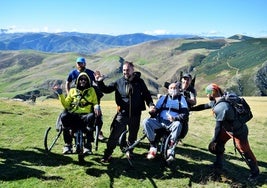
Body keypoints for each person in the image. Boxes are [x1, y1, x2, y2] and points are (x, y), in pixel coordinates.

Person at [190, 83, 260, 181]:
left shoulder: (221, 107)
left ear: (212, 93)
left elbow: (218, 127)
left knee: (245, 152)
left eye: (207, 93)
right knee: (219, 143)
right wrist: (190, 109)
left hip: (238, 132)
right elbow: (205, 106)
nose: (206, 95)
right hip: (228, 129)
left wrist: (213, 140)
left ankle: (255, 172)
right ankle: (219, 164)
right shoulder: (219, 101)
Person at [95, 61, 155, 162]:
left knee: (132, 136)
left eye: (127, 70)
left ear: (133, 70)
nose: (125, 72)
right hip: (122, 113)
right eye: (123, 70)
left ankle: (130, 152)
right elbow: (106, 89)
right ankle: (108, 154)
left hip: (136, 114)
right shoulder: (119, 82)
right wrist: (100, 82)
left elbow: (146, 95)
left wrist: (151, 105)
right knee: (114, 135)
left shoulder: (140, 82)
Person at [53, 72, 101, 154]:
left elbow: (95, 102)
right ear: (78, 81)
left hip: (86, 115)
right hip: (74, 115)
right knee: (64, 116)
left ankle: (87, 146)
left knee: (92, 116)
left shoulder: (92, 90)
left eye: (85, 79)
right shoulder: (72, 91)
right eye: (81, 79)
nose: (83, 81)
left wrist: (97, 106)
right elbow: (66, 104)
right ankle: (68, 145)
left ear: (88, 81)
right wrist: (60, 94)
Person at [143, 83, 189, 162]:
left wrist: (175, 118)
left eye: (175, 88)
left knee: (178, 124)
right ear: (168, 90)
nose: (173, 90)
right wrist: (152, 111)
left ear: (178, 90)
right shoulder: (163, 98)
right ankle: (153, 145)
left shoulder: (181, 99)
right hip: (160, 121)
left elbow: (185, 113)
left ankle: (171, 147)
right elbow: (156, 110)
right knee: (146, 122)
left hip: (173, 122)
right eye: (171, 88)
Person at [65, 57, 105, 141]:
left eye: (81, 63)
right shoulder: (73, 73)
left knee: (97, 114)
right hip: (77, 95)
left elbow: (97, 81)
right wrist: (68, 93)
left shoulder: (90, 73)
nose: (80, 65)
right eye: (78, 63)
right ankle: (72, 129)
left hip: (90, 95)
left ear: (85, 64)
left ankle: (98, 132)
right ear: (76, 64)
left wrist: (99, 81)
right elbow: (67, 82)